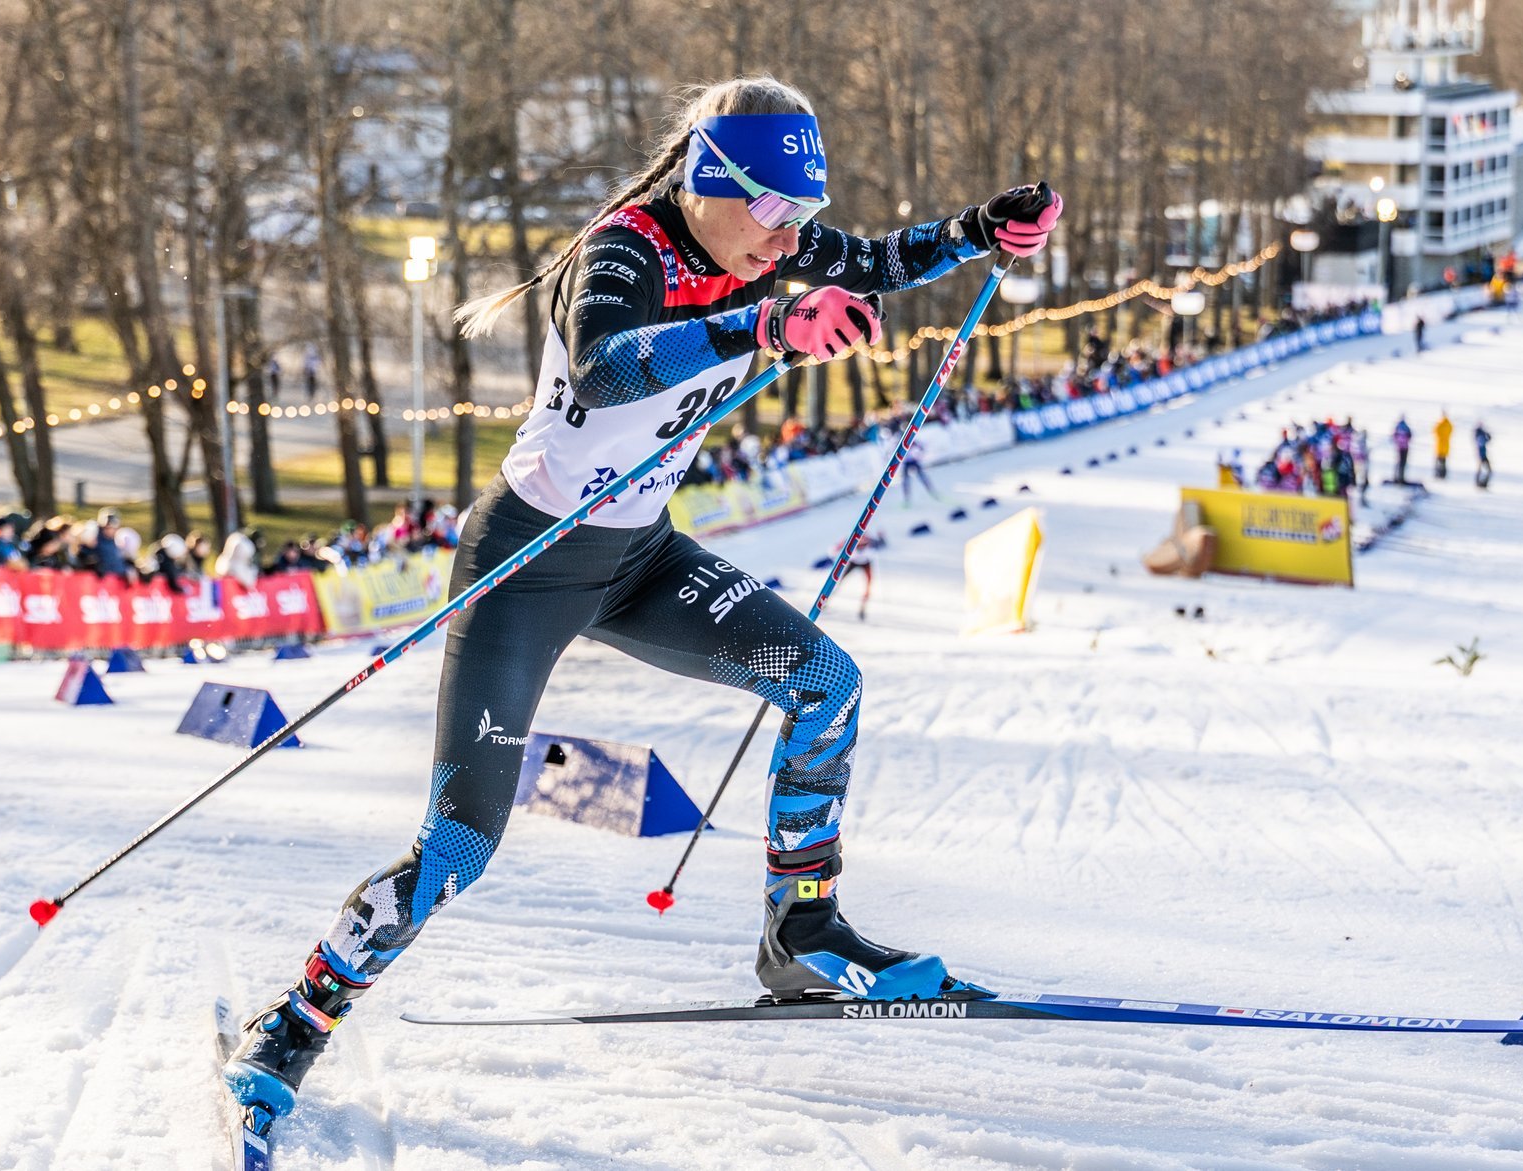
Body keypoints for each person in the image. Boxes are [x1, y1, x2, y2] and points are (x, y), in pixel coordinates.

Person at [222, 75, 1064, 1122]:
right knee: (460, 843)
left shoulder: (762, 245)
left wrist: (981, 230)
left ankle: (802, 935)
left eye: (802, 213)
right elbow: (609, 367)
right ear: (708, 180)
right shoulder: (624, 250)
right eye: (772, 209)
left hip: (640, 560)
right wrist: (768, 326)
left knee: (826, 683)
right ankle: (294, 1022)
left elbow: (882, 260)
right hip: (527, 564)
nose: (789, 235)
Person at [1391, 415, 1413, 483]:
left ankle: (1396, 477)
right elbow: (1410, 436)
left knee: (1399, 462)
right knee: (1403, 463)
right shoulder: (1406, 427)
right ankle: (1401, 477)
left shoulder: (1397, 427)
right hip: (1405, 447)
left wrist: (1397, 443)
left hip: (1399, 447)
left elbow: (1394, 436)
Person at [1433, 410, 1453, 479]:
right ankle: (1443, 474)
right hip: (1446, 446)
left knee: (1439, 461)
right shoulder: (1449, 424)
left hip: (1439, 446)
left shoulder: (1440, 424)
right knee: (1443, 461)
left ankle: (1438, 473)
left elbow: (1435, 431)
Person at [1473, 421, 1493, 489]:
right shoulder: (1479, 434)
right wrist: (1486, 437)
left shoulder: (1480, 434)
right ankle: (1479, 482)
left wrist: (1487, 436)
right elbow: (1482, 442)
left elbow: (1487, 439)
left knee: (1485, 470)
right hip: (1481, 456)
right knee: (1486, 470)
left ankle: (1481, 482)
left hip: (1483, 455)